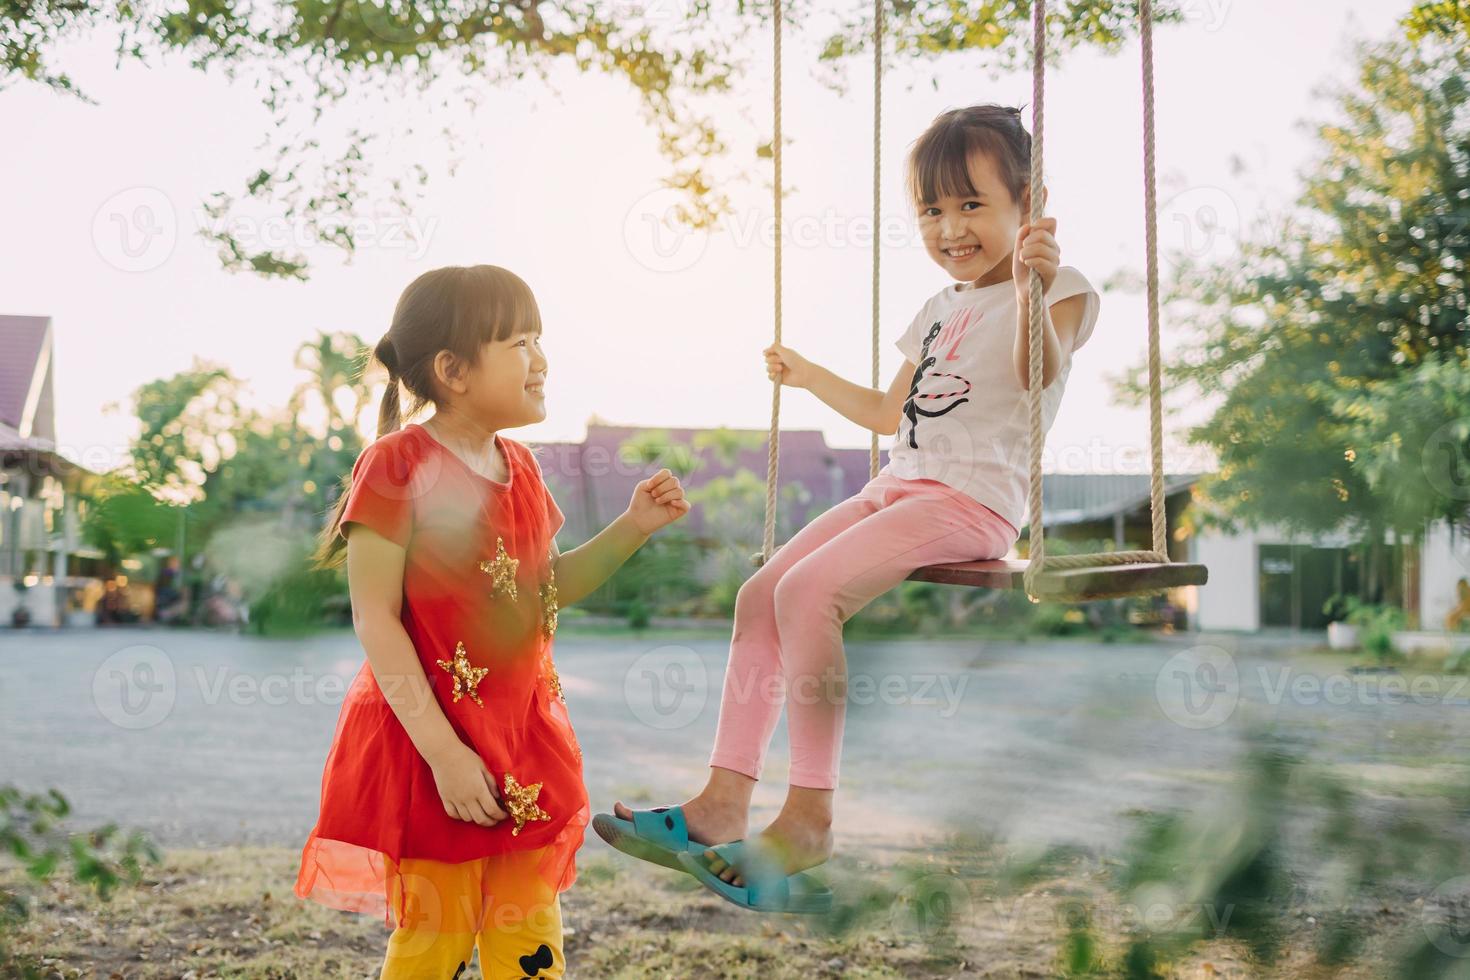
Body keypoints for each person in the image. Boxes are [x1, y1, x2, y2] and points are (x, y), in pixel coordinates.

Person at [598, 103, 1101, 912]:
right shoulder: (939, 308)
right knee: (761, 592)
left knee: (806, 594)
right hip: (898, 485)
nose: (951, 227)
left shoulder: (1058, 290)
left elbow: (1036, 371)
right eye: (933, 211)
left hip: (974, 499)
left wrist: (1035, 283)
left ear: (1027, 205)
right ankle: (723, 803)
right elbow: (883, 412)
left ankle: (808, 817)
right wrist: (805, 374)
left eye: (972, 204)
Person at [294, 265, 691, 977]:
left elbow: (549, 588)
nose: (541, 360)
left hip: (523, 741)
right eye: (519, 342)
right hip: (433, 746)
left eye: (540, 339)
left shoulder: (525, 469)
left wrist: (633, 526)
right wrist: (446, 756)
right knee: (434, 940)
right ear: (453, 369)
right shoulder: (396, 464)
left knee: (530, 934)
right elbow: (374, 618)